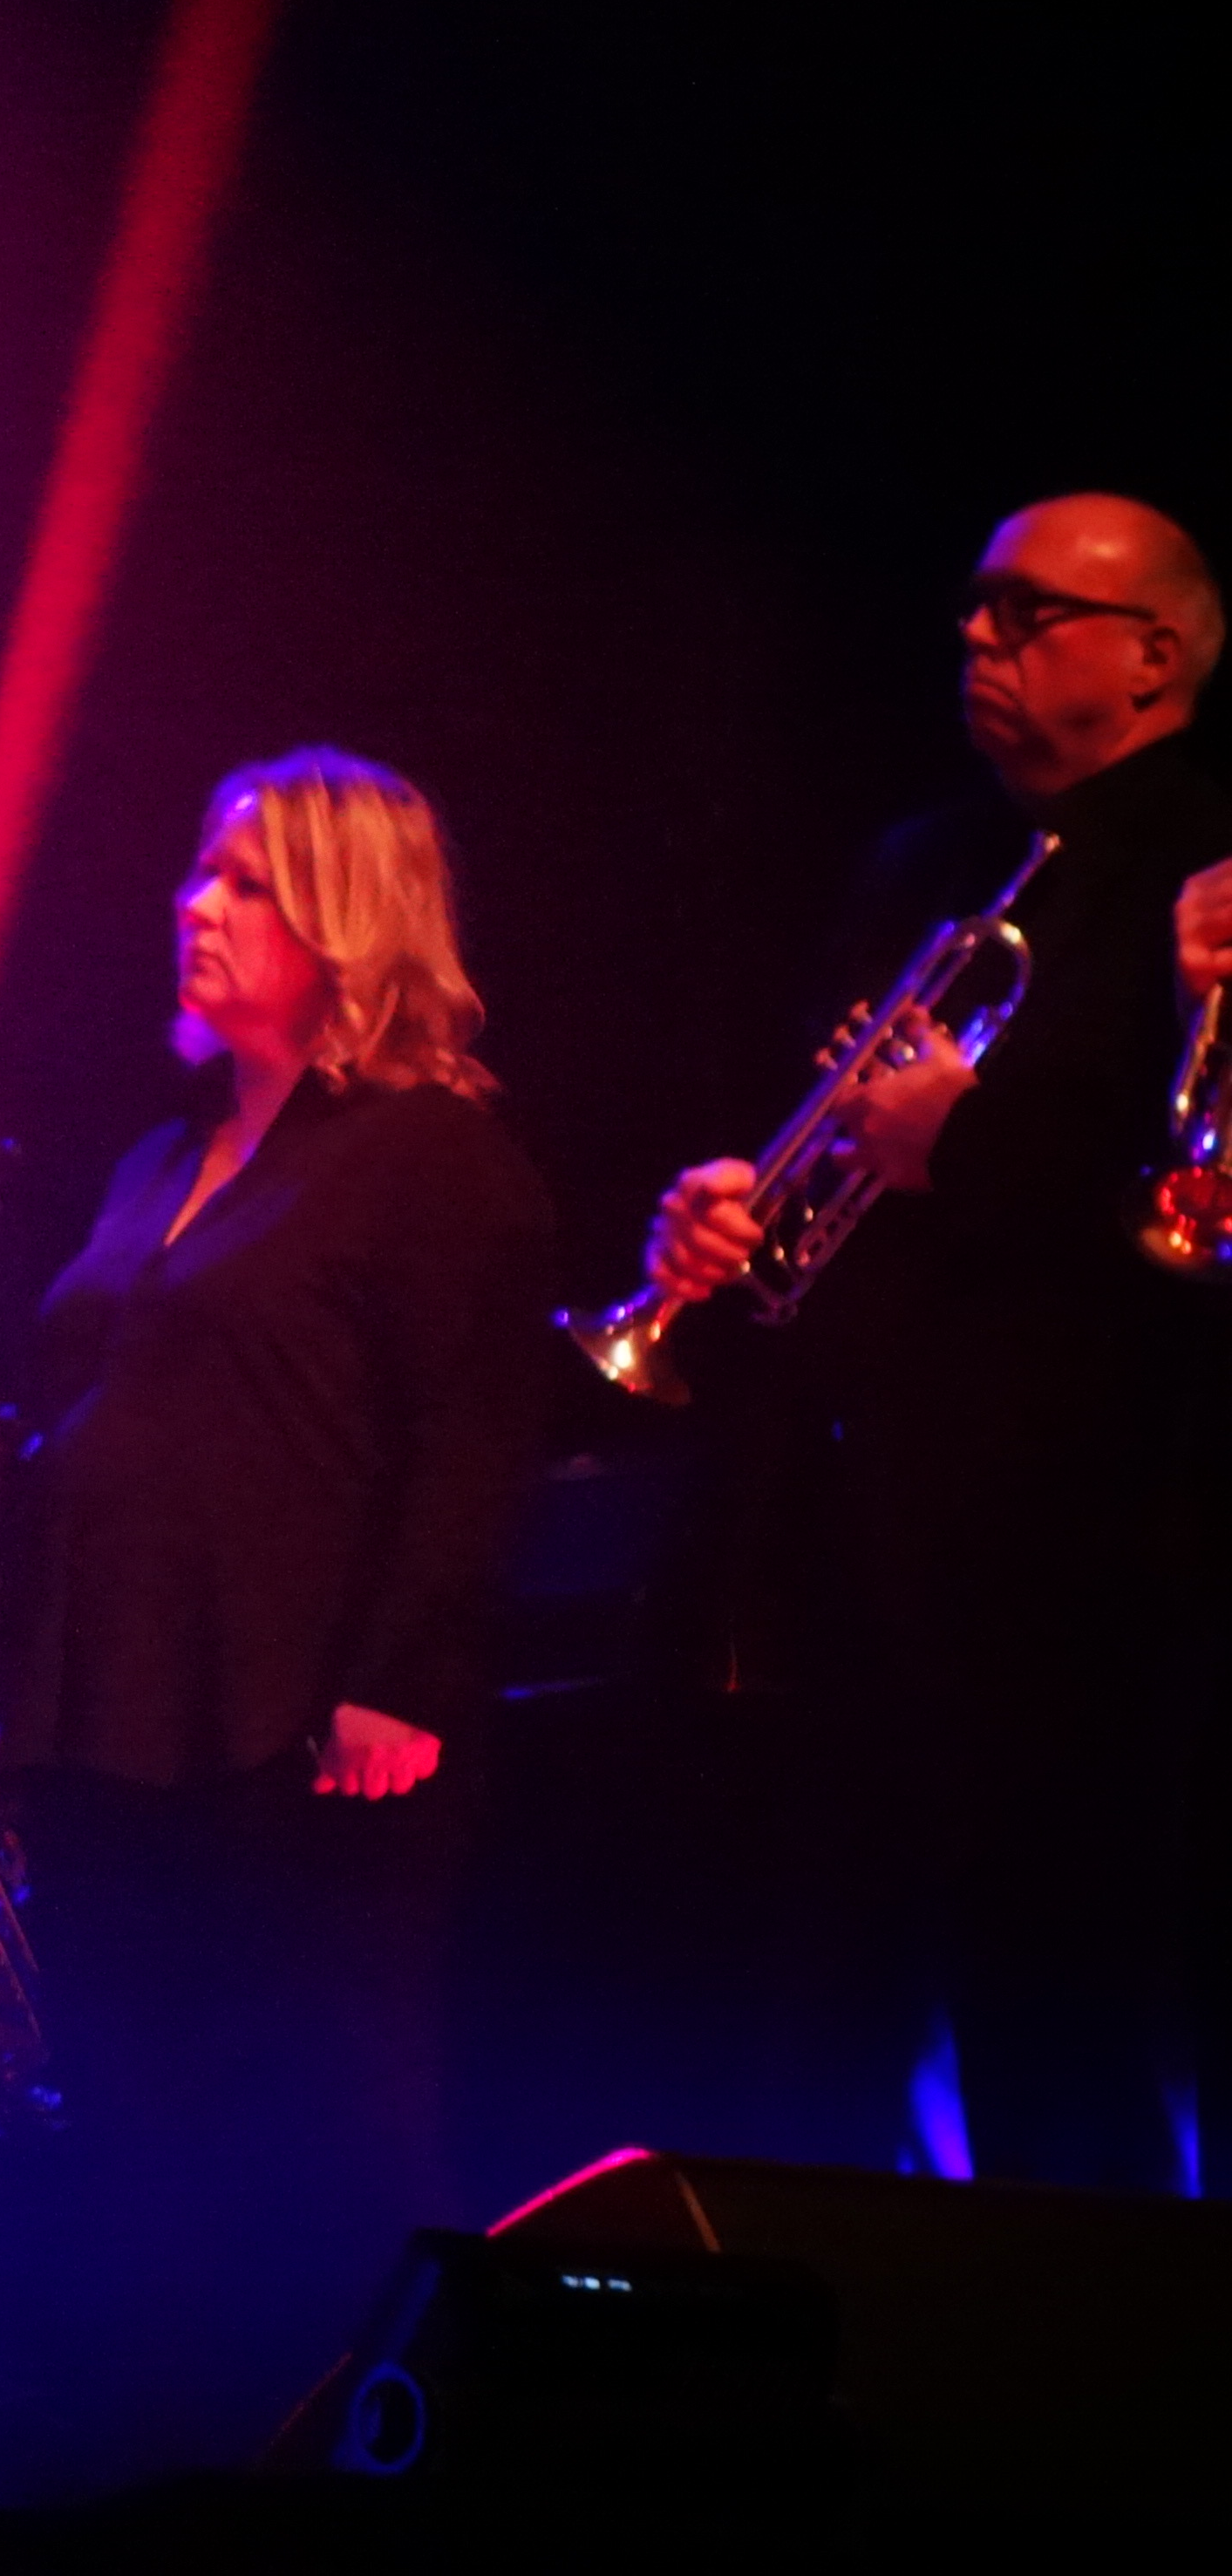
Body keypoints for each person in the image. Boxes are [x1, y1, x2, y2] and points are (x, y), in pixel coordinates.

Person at [635, 494, 1228, 2193]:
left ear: (1154, 655)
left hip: (1091, 1558)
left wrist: (958, 1141)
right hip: (864, 1533)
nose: (977, 638)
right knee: (822, 2024)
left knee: (1064, 2032)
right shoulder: (923, 862)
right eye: (973, 608)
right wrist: (733, 1212)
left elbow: (1191, 1200)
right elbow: (832, 1125)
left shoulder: (1208, 860)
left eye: (1027, 613)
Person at [0, 748, 553, 2487]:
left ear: (348, 923)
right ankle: (170, 2471)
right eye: (202, 873)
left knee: (324, 2123)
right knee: (134, 2124)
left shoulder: (429, 1159)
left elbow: (471, 1446)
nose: (196, 906)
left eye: (247, 883)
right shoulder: (160, 1154)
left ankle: (396, 2470)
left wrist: (392, 1682)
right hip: (118, 1723)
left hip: (307, 1730)